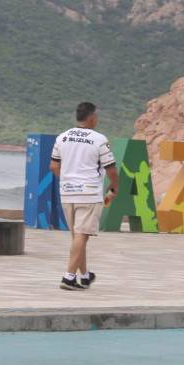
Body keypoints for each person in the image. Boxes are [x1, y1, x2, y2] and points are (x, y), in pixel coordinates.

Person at [50, 102, 118, 290]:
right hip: (89, 194)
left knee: (78, 237)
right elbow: (111, 169)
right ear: (91, 117)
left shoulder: (62, 137)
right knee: (81, 235)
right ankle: (69, 277)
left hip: (67, 192)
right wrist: (114, 187)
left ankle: (85, 276)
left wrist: (68, 180)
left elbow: (54, 166)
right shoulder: (99, 139)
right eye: (97, 116)